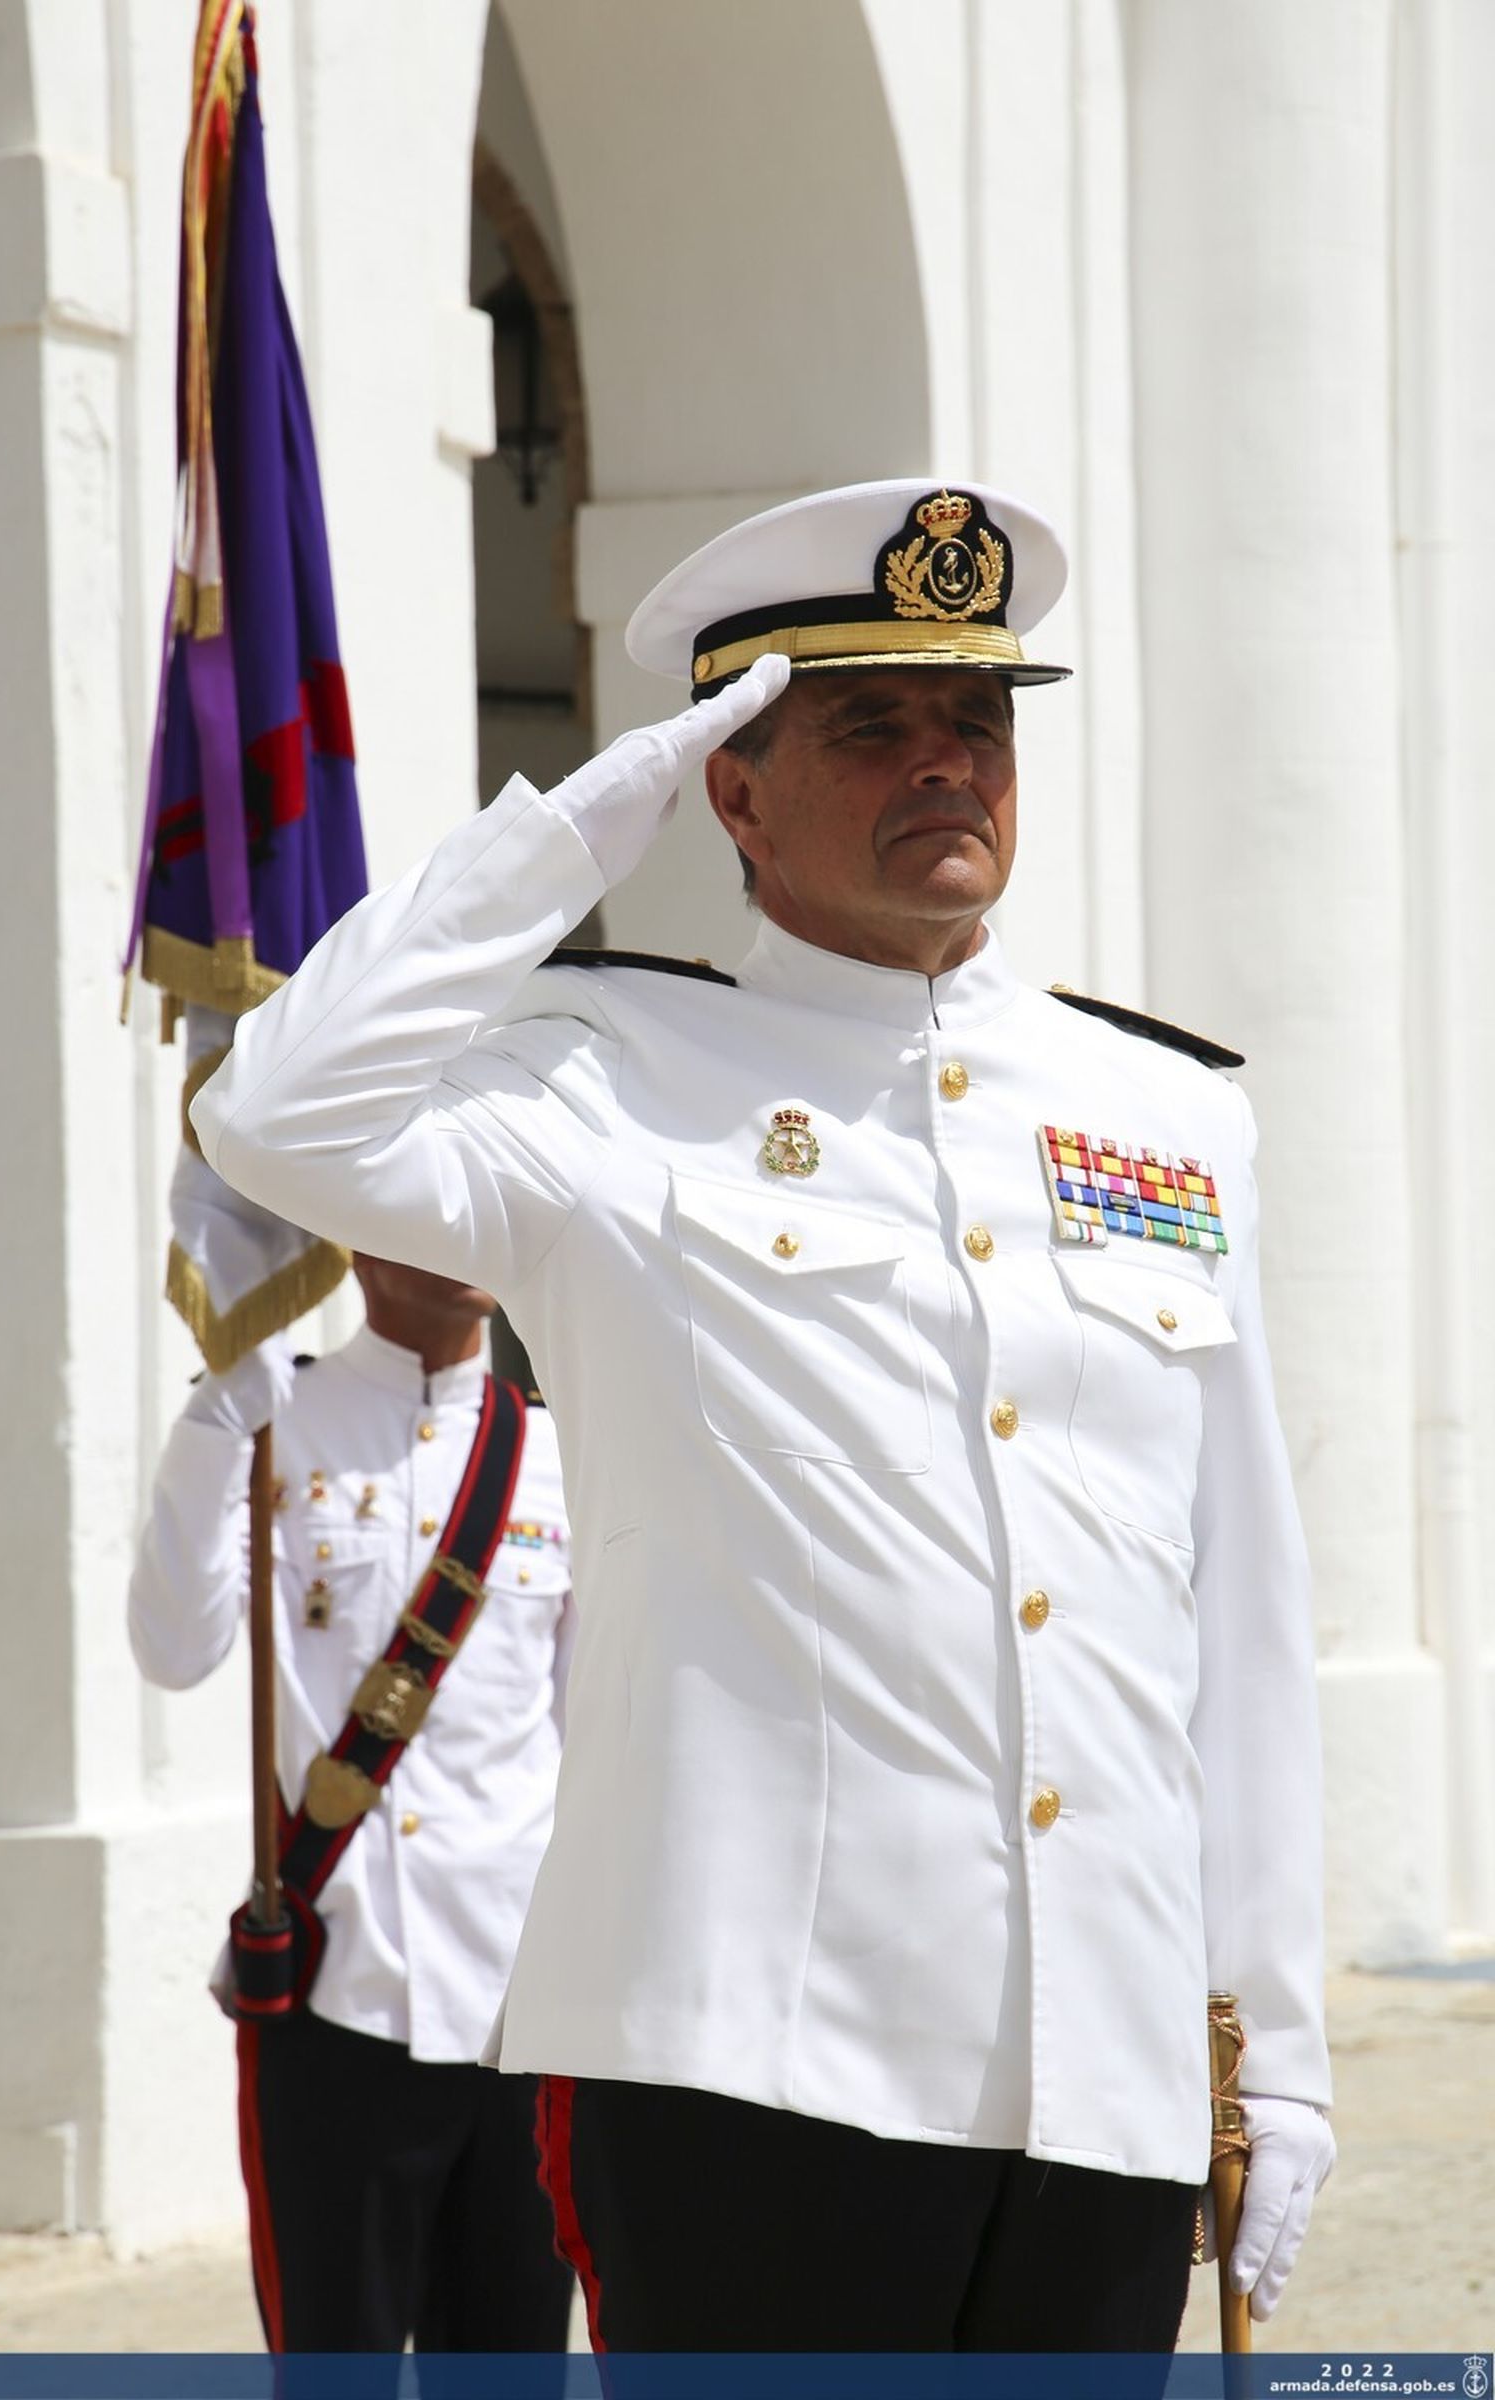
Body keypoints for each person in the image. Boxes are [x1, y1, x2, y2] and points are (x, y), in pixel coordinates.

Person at [188, 480, 1336, 2355]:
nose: (944, 766)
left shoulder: (1170, 1115)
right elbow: (272, 1120)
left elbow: (1240, 1622)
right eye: (870, 727)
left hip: (1101, 2071)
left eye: (978, 723)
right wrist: (570, 834)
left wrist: (1269, 2046)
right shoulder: (604, 1079)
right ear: (733, 787)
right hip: (748, 2064)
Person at [128, 1254, 577, 2357]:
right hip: (340, 1999)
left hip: (516, 2015)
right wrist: (209, 1434)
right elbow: (174, 1652)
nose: (462, 1244)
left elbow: (586, 1734)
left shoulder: (560, 1458)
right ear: (355, 1237)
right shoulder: (278, 1425)